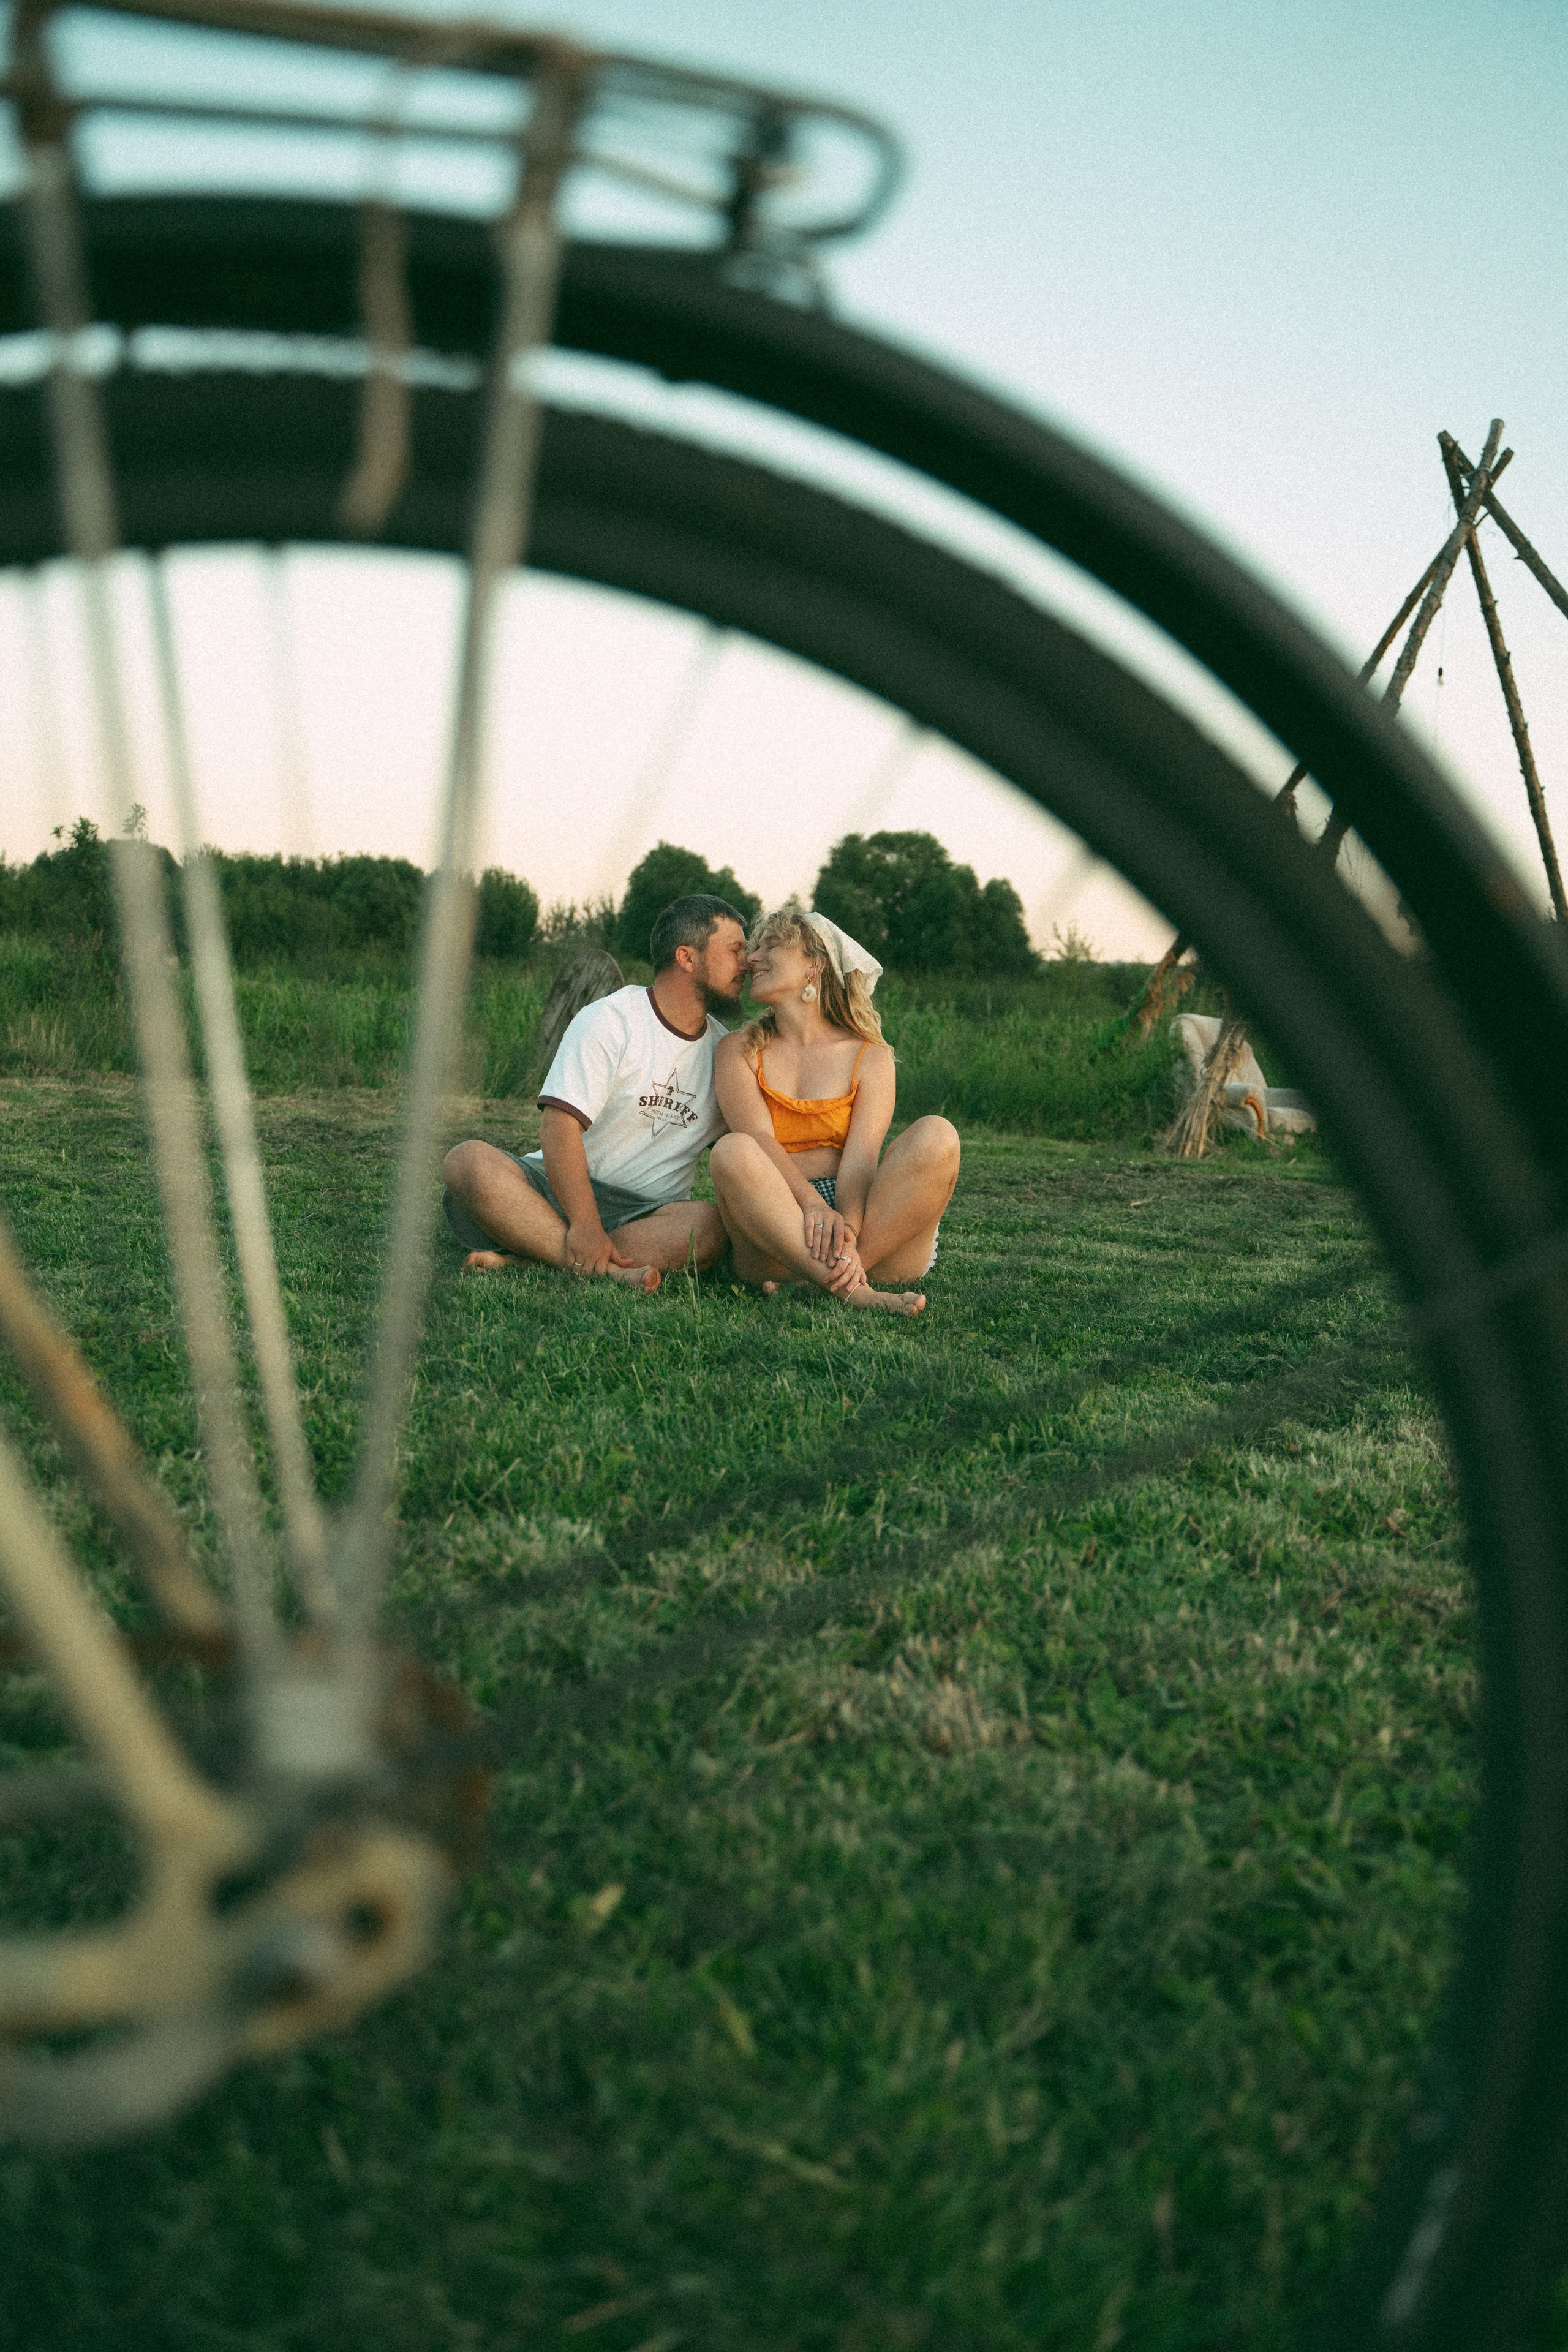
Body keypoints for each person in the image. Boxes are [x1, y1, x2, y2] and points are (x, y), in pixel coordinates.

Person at [442, 894, 748, 1292]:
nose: (747, 964)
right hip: (554, 1191)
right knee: (467, 1162)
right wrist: (585, 1224)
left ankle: (531, 1257)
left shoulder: (726, 1053)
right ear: (687, 958)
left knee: (709, 1227)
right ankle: (602, 1266)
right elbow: (559, 1128)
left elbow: (754, 1144)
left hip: (647, 1214)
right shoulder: (611, 1019)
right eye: (735, 950)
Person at [709, 900, 959, 1315]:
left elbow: (861, 1161)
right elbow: (757, 1138)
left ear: (814, 965)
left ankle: (828, 1277)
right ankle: (853, 1289)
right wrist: (810, 1205)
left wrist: (848, 1229)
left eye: (770, 946)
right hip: (778, 1220)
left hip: (863, 1225)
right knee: (733, 1150)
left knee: (939, 1134)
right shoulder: (738, 1049)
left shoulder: (870, 1057)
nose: (752, 959)